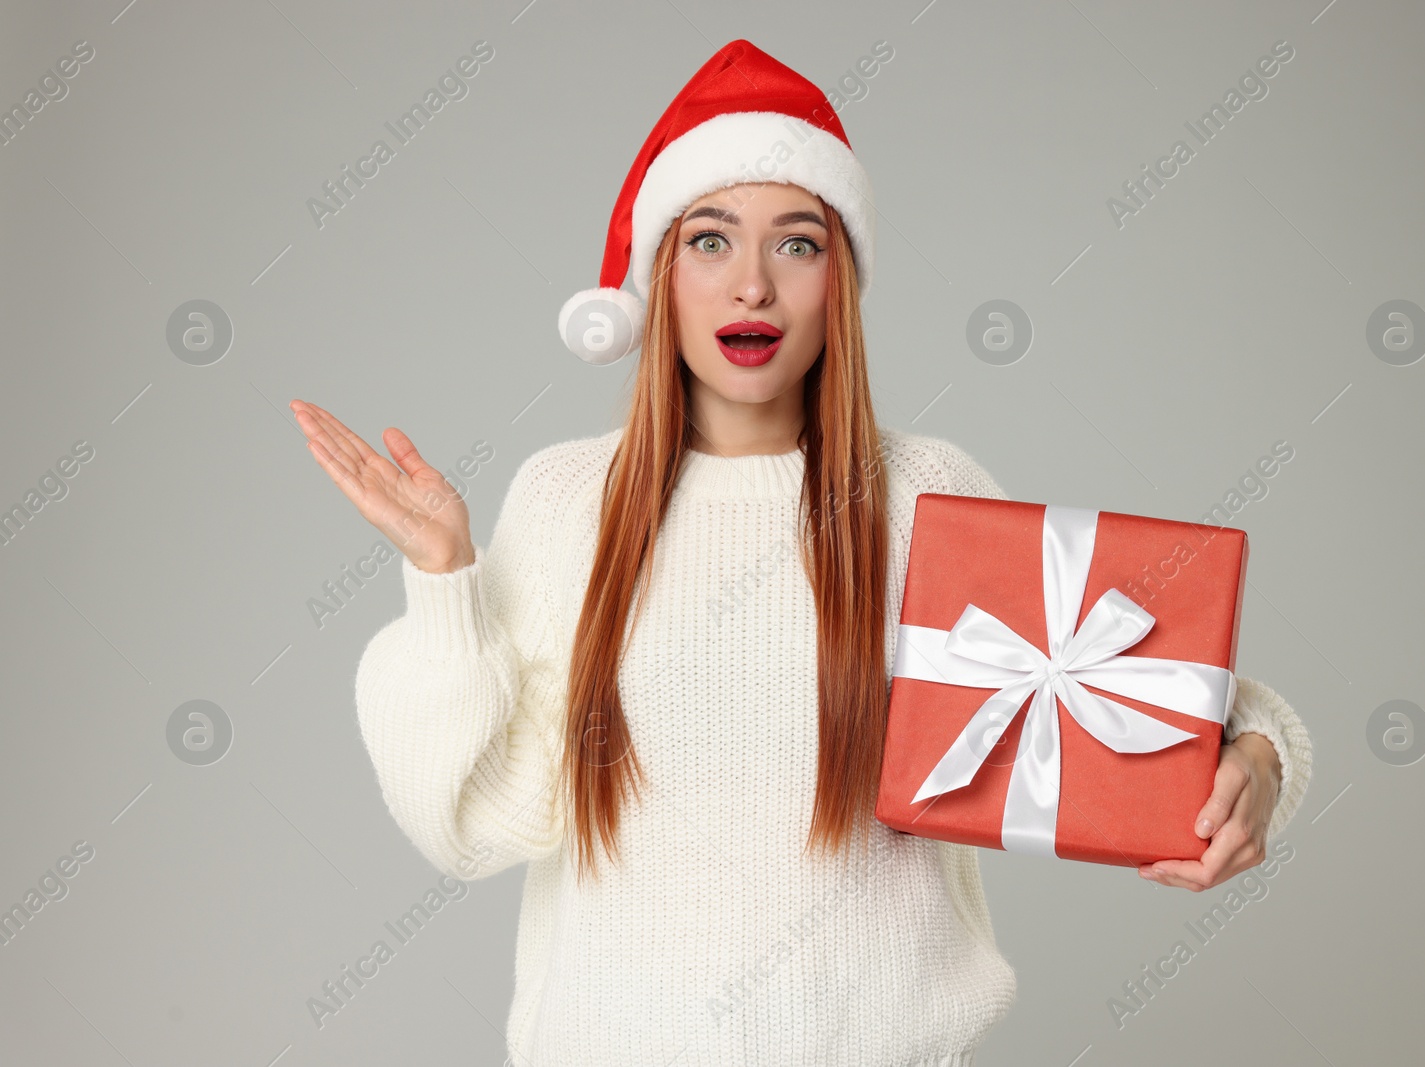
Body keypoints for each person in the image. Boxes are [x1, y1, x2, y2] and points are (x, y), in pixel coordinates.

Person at [292, 39, 1313, 1067]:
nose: (751, 286)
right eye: (708, 240)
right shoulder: (568, 504)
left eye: (795, 244)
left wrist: (1258, 761)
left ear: (841, 282)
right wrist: (443, 582)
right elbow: (471, 821)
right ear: (660, 275)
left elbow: (1148, 689)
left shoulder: (925, 496)